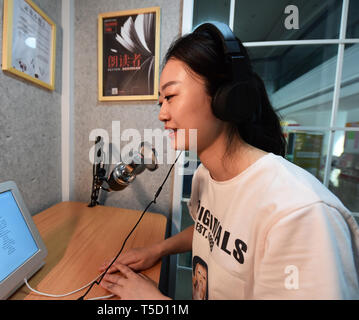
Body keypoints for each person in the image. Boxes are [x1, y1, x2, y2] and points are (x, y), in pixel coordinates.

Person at [99, 21, 359, 299]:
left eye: (171, 96)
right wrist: (157, 249)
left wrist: (153, 301)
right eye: (160, 102)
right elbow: (213, 234)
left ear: (225, 97)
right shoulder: (205, 176)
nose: (162, 114)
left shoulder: (301, 214)